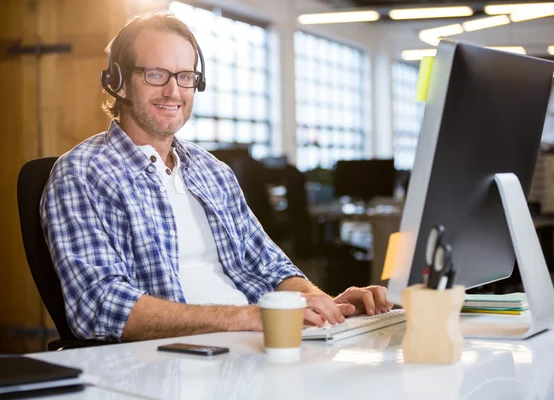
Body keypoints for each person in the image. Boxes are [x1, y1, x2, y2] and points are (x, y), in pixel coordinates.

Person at [40, 11, 393, 342]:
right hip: (174, 360)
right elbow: (100, 307)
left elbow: (269, 266)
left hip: (254, 347)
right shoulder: (82, 173)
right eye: (155, 74)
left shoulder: (213, 172)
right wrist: (248, 318)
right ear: (117, 81)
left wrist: (325, 304)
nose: (173, 91)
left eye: (185, 77)